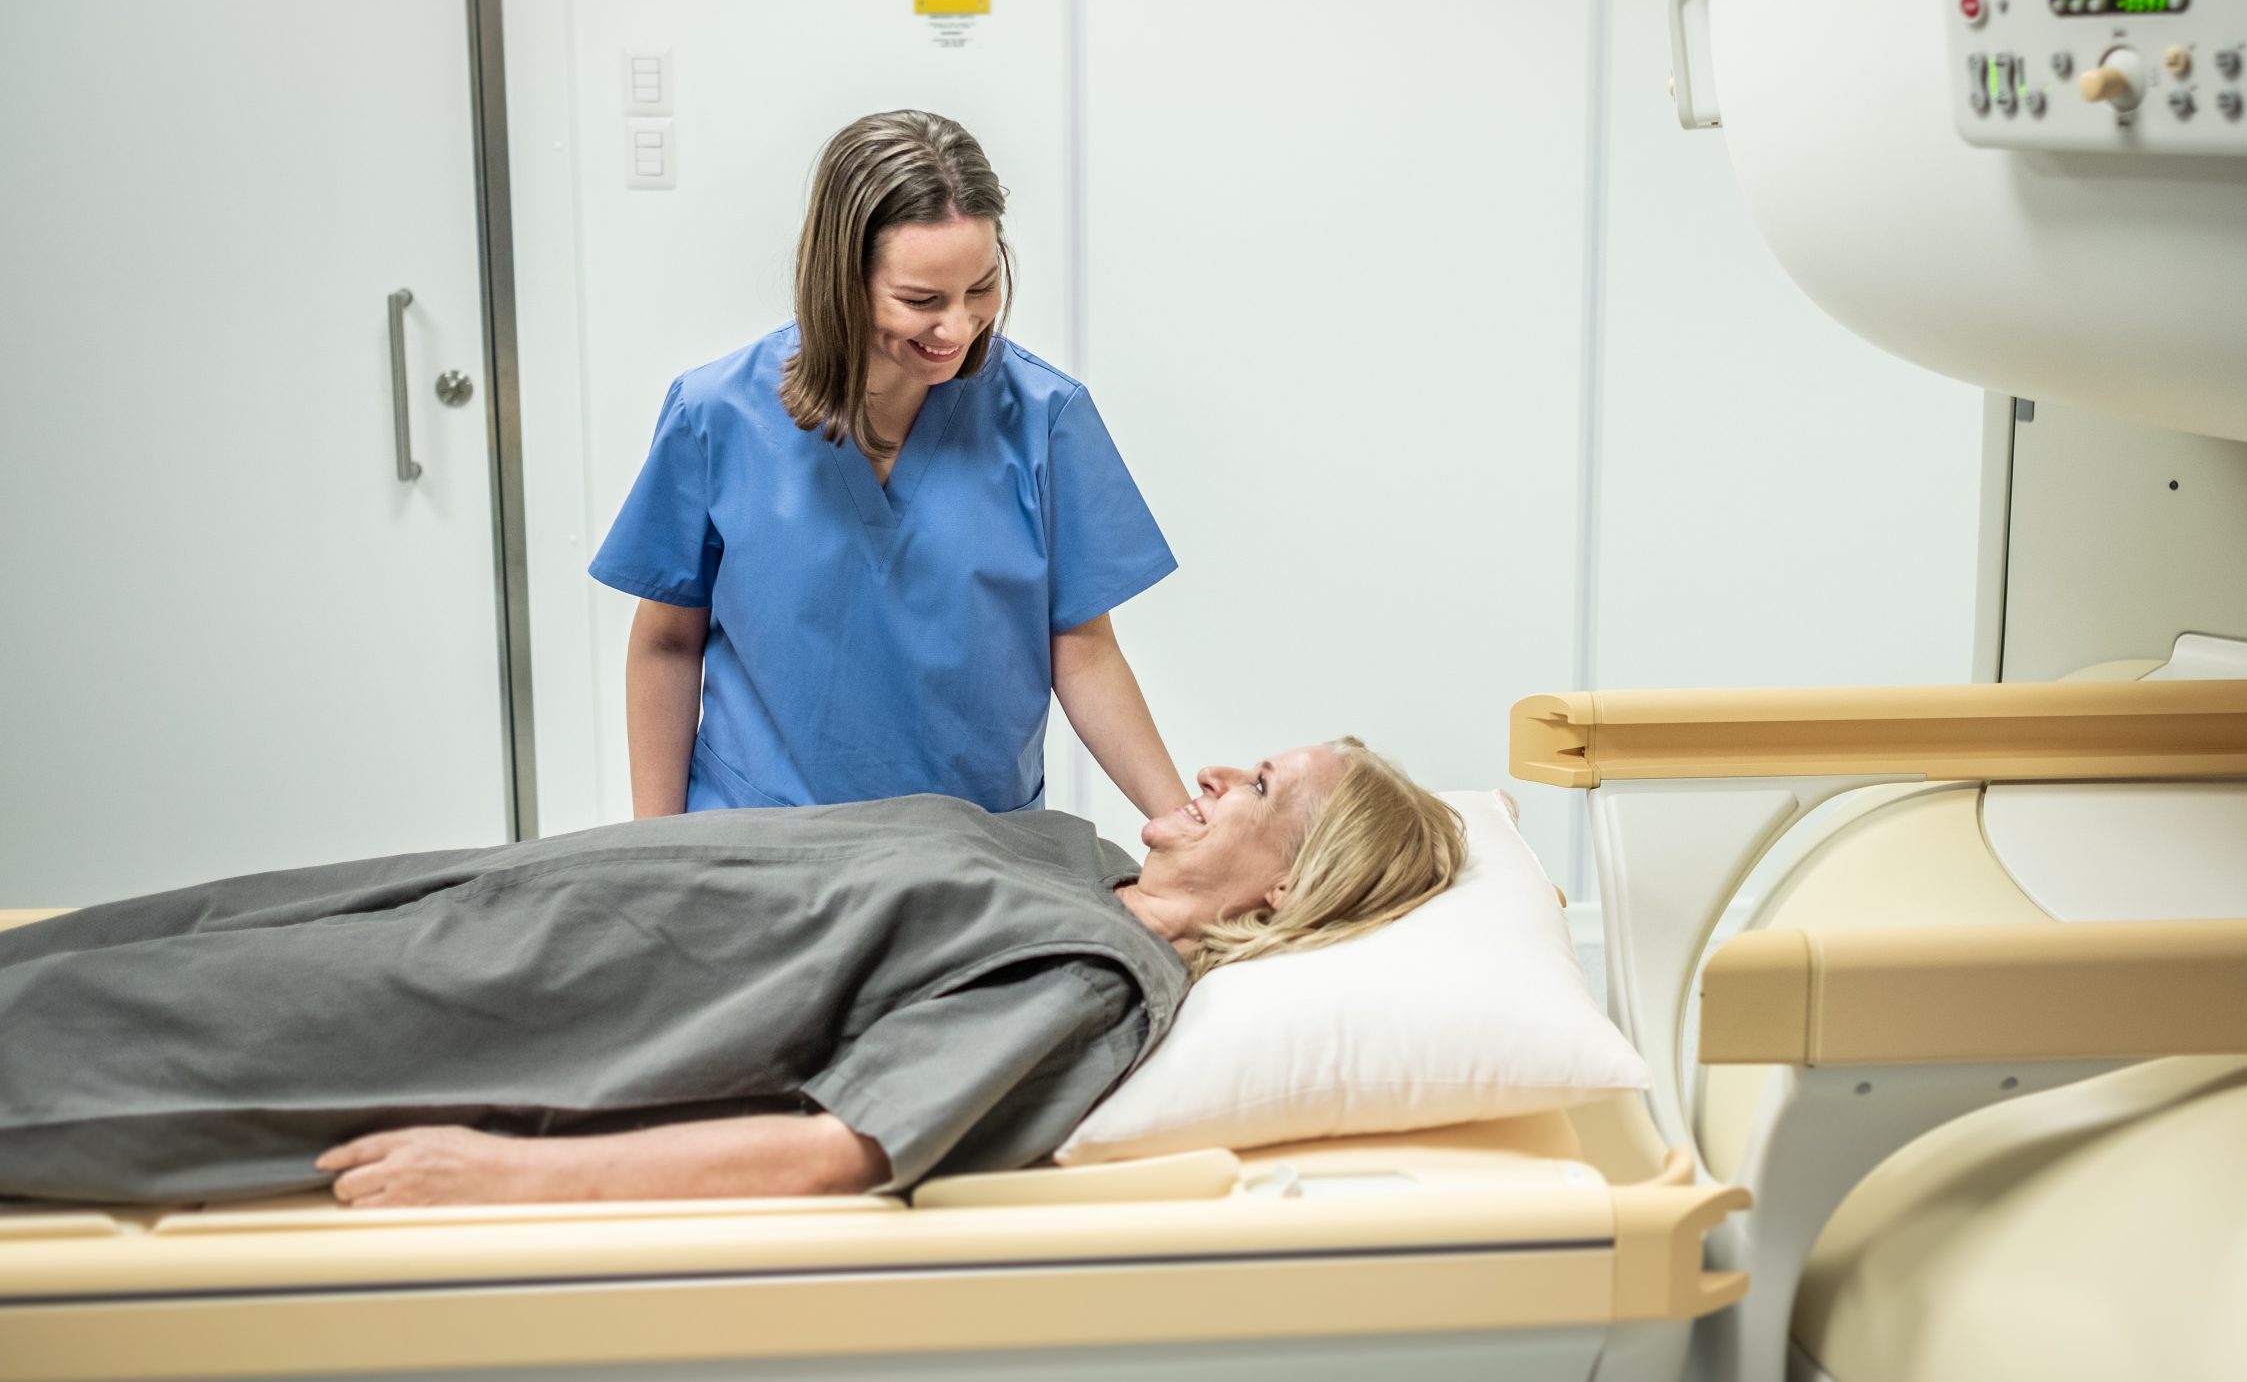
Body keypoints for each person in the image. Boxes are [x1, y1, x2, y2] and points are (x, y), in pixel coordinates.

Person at [0, 740, 1462, 1208]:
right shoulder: (1071, 851)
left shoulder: (1096, 967)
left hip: (503, 1021)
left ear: (1288, 880)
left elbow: (846, 1141)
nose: (1215, 767)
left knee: (99, 1040)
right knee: (138, 938)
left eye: (1258, 781)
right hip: (497, 899)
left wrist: (506, 1172)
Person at [593, 110, 1187, 822]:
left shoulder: (1043, 417)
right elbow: (666, 642)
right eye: (921, 300)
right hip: (763, 846)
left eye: (982, 287)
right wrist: (658, 853)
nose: (959, 327)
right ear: (841, 279)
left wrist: (1178, 817)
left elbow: (1084, 651)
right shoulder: (715, 415)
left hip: (977, 849)